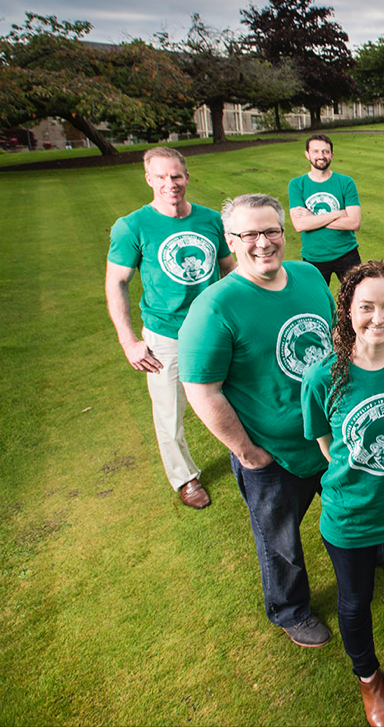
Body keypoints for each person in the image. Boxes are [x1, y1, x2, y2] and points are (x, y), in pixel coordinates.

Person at [179, 194, 335, 648]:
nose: (263, 242)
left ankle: (367, 556)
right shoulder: (214, 308)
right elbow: (202, 391)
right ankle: (290, 610)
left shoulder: (308, 276)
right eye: (250, 234)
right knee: (280, 542)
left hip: (330, 436)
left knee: (349, 507)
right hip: (272, 451)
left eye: (272, 231)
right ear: (231, 240)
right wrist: (248, 453)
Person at [302, 262, 384, 727]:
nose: (378, 317)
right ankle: (369, 678)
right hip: (351, 516)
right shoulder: (322, 377)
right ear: (348, 312)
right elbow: (325, 444)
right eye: (366, 307)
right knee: (355, 601)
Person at [105, 146, 233, 509]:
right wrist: (129, 340)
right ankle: (185, 478)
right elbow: (116, 282)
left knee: (238, 395)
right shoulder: (132, 225)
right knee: (169, 413)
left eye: (176, 175)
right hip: (164, 335)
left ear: (187, 177)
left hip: (213, 330)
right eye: (161, 176)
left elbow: (229, 269)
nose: (170, 183)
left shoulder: (210, 220)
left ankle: (250, 457)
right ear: (148, 179)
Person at [287, 134, 363, 286]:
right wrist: (337, 214)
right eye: (315, 151)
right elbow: (300, 225)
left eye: (325, 152)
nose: (321, 156)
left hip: (346, 253)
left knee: (357, 299)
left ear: (332, 155)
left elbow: (354, 223)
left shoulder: (345, 182)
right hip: (314, 256)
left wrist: (312, 217)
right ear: (307, 154)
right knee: (315, 304)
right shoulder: (296, 185)